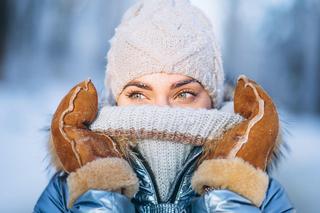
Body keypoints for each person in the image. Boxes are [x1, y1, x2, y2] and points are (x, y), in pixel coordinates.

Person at [34, 0, 294, 212]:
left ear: (213, 100)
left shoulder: (259, 193)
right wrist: (97, 192)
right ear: (115, 100)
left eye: (184, 94)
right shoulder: (68, 192)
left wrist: (232, 194)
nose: (161, 112)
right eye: (138, 95)